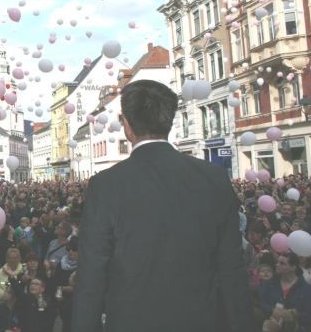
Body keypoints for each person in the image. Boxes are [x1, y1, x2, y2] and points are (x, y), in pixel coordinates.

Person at [72, 80, 254, 332]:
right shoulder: (213, 177)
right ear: (170, 120)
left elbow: (92, 276)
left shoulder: (106, 185)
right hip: (202, 321)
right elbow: (232, 270)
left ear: (127, 125)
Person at [259, 253, 311, 329]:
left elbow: (308, 315)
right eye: (277, 262)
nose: (277, 265)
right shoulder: (269, 283)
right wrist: (272, 311)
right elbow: (261, 303)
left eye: (282, 263)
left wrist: (292, 316)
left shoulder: (306, 289)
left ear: (293, 267)